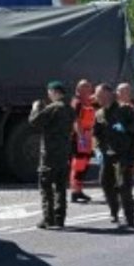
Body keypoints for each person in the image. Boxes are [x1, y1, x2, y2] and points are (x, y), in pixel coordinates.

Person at [95, 82, 134, 228]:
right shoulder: (100, 113)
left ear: (109, 94)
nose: (98, 98)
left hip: (125, 154)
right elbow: (97, 134)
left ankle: (130, 218)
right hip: (108, 154)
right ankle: (114, 211)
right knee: (105, 182)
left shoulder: (125, 110)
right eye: (97, 96)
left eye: (100, 95)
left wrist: (126, 129)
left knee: (124, 186)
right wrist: (99, 149)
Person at [30, 80, 76, 229]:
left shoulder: (53, 108)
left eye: (49, 92)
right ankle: (60, 217)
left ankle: (48, 218)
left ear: (55, 92)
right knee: (61, 187)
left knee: (46, 186)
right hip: (63, 153)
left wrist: (35, 108)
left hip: (49, 153)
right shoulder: (70, 109)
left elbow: (35, 122)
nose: (48, 95)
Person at [70, 79, 96, 204]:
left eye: (89, 87)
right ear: (79, 90)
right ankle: (75, 192)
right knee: (79, 164)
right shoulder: (78, 103)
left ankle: (79, 190)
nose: (89, 89)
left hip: (87, 135)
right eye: (86, 87)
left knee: (85, 163)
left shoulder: (88, 102)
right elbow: (76, 121)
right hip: (80, 136)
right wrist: (81, 137)